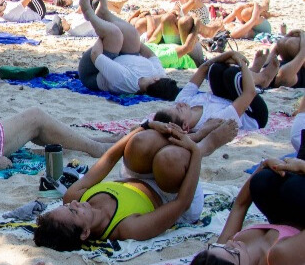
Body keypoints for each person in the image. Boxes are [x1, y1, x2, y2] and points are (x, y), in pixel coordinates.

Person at [33, 124, 205, 251]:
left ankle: (186, 136)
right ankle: (203, 144)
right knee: (169, 159)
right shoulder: (127, 228)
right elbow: (183, 203)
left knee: (140, 141)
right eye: (73, 212)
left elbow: (108, 159)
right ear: (85, 233)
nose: (74, 204)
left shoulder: (73, 197)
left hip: (136, 177)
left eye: (67, 206)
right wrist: (196, 152)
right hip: (172, 195)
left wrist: (145, 125)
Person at [190, 159, 305, 265]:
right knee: (293, 189)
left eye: (217, 247)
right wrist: (302, 167)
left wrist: (263, 165)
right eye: (233, 252)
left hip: (286, 213)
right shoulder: (278, 257)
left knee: (261, 181)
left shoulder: (224, 252)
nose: (230, 243)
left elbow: (240, 205)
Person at [76, 0, 180, 100]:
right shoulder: (159, 75)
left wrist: (103, 36)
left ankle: (89, 15)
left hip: (93, 71)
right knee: (133, 36)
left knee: (114, 35)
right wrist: (133, 40)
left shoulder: (125, 79)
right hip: (120, 58)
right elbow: (150, 54)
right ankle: (104, 13)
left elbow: (95, 54)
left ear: (156, 80)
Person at [154, 51, 268, 132]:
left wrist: (230, 54)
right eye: (178, 110)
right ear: (185, 125)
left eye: (174, 106)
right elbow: (250, 93)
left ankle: (254, 74)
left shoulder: (182, 101)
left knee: (215, 69)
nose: (178, 104)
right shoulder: (212, 121)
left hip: (227, 100)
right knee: (232, 74)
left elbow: (204, 68)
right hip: (253, 114)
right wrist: (241, 63)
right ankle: (260, 78)